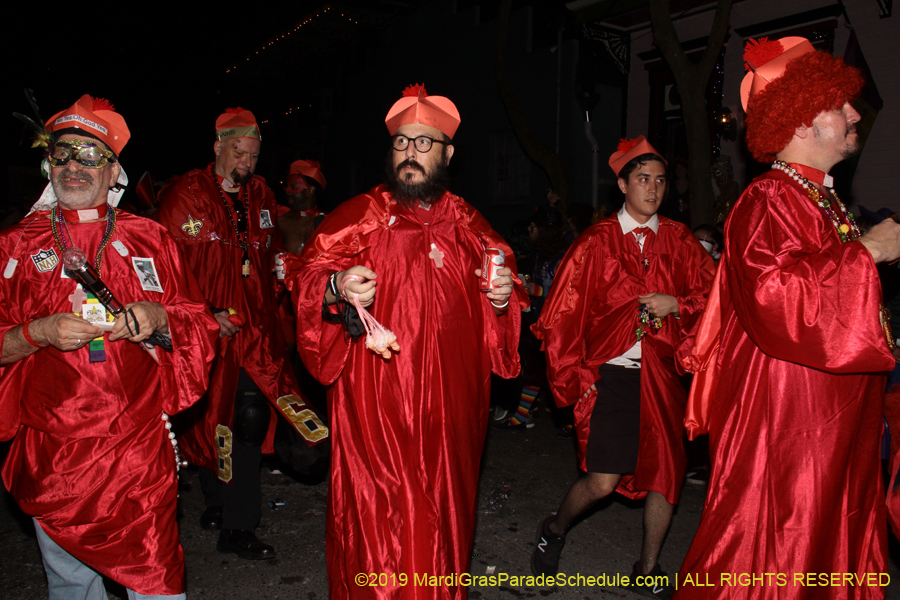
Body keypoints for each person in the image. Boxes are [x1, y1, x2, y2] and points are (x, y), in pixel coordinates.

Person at [677, 37, 900, 597]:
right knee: (780, 550)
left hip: (832, 422)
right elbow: (775, 298)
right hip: (791, 422)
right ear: (800, 123)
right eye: (838, 105)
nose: (854, 113)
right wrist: (867, 253)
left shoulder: (818, 198)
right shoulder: (768, 200)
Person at [285, 84, 524, 599]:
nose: (410, 153)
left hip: (452, 412)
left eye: (423, 143)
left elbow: (505, 298)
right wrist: (336, 285)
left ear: (448, 153)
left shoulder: (471, 227)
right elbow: (307, 278)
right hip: (378, 407)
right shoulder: (361, 215)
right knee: (380, 522)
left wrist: (502, 299)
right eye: (401, 143)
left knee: (445, 514)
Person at [0, 94, 218, 599]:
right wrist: (39, 333)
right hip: (55, 454)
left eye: (90, 155)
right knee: (71, 584)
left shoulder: (150, 239)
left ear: (113, 168)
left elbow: (196, 320)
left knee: (156, 576)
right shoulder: (15, 248)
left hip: (135, 448)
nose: (74, 166)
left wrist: (156, 314)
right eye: (63, 154)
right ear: (46, 162)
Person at [529, 136, 715, 598]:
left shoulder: (679, 240)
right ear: (622, 184)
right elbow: (560, 315)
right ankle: (554, 527)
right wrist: (576, 376)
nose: (653, 188)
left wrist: (677, 303)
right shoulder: (596, 243)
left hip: (664, 375)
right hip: (613, 376)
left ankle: (648, 569)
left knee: (666, 476)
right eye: (643, 179)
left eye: (660, 180)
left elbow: (716, 300)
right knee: (603, 479)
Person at [155, 107, 328, 561]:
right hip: (205, 333)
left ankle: (237, 524)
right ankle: (216, 498)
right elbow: (163, 269)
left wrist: (282, 273)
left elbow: (273, 252)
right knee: (208, 417)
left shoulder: (262, 196)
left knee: (247, 419)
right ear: (217, 147)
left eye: (253, 154)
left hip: (256, 331)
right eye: (238, 151)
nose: (246, 163)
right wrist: (205, 314)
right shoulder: (183, 195)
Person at [278, 159, 327, 254]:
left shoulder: (326, 222)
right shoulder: (281, 222)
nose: (287, 191)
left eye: (293, 187)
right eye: (287, 187)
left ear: (310, 190)